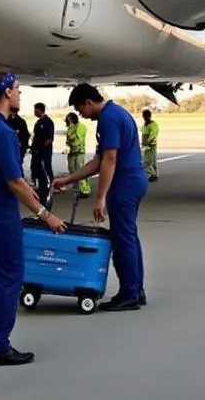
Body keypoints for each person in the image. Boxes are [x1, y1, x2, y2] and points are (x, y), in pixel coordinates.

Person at [0, 72, 66, 366]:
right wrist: (44, 215)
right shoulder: (2, 132)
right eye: (17, 89)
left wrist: (27, 188)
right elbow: (13, 181)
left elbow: (10, 178)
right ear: (6, 93)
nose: (20, 94)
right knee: (8, 276)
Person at [53, 84, 148, 311]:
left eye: (80, 109)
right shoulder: (116, 113)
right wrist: (68, 179)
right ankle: (136, 289)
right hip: (133, 180)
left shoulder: (109, 119)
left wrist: (100, 197)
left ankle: (129, 294)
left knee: (122, 238)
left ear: (88, 102)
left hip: (124, 184)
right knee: (129, 236)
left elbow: (110, 160)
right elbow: (99, 161)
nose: (81, 115)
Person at [30, 103, 55, 205]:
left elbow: (49, 138)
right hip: (36, 151)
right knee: (35, 167)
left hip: (44, 151)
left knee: (46, 167)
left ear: (40, 110)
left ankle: (51, 185)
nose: (34, 112)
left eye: (36, 110)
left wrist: (42, 148)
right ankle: (39, 185)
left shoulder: (47, 122)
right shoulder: (38, 122)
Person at [63, 112, 91, 198]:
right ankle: (77, 188)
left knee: (81, 170)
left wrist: (71, 139)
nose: (68, 121)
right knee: (72, 170)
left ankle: (85, 190)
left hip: (79, 152)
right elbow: (68, 140)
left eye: (69, 119)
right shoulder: (70, 128)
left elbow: (77, 139)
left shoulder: (80, 127)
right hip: (72, 152)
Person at [141, 109, 159, 182]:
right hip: (146, 145)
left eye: (146, 116)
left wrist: (147, 142)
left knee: (146, 162)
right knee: (151, 161)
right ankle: (155, 174)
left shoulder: (153, 125)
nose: (145, 118)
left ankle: (153, 174)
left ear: (150, 116)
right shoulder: (144, 125)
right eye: (144, 117)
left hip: (151, 145)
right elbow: (143, 134)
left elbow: (153, 135)